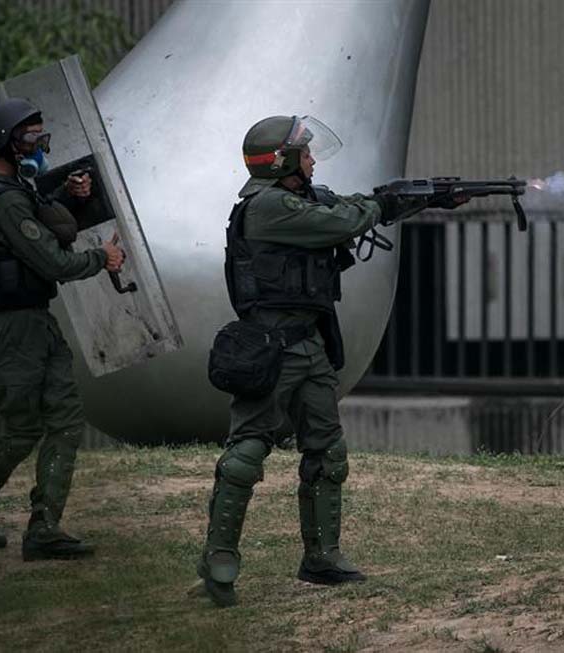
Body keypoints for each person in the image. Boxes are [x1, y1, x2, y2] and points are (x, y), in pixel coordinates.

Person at [193, 114, 420, 607]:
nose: (314, 159)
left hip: (309, 344)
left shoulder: (294, 198)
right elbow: (342, 220)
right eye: (306, 152)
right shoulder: (269, 207)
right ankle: (218, 560)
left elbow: (343, 204)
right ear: (282, 162)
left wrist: (404, 198)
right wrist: (381, 205)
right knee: (247, 453)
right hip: (272, 347)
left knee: (327, 450)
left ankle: (322, 557)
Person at [0, 97, 125, 561]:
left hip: (34, 322)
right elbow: (51, 260)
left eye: (42, 136)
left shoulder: (12, 190)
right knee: (23, 430)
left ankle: (45, 527)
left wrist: (67, 197)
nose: (39, 145)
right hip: (15, 331)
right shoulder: (3, 200)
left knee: (65, 419)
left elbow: (36, 229)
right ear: (7, 142)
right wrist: (103, 258)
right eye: (31, 138)